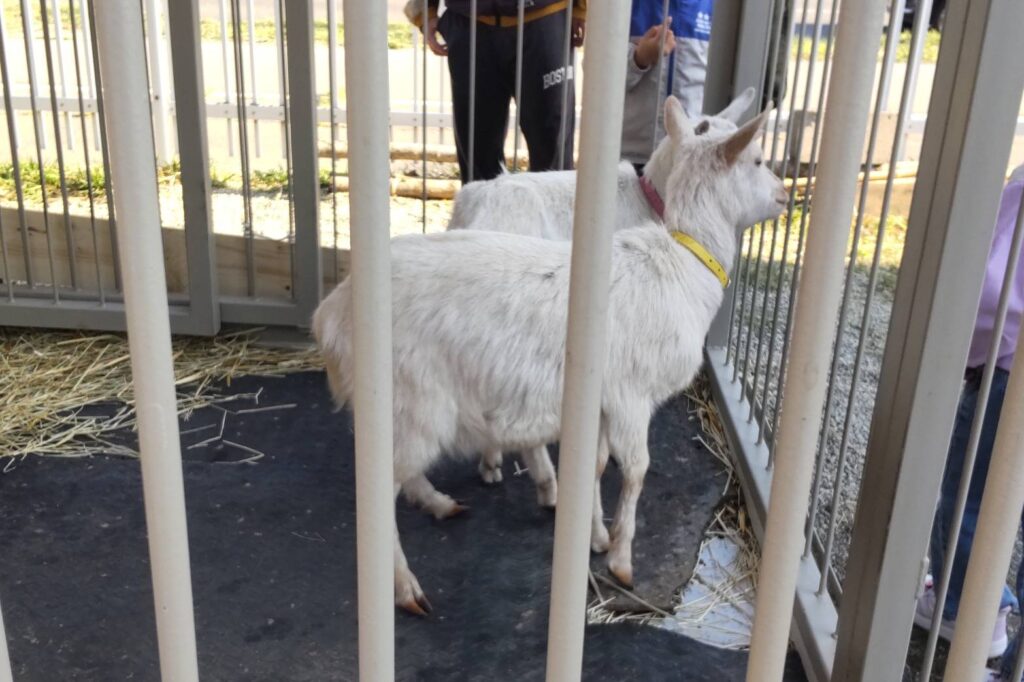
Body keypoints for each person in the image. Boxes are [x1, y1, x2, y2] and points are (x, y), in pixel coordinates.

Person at [915, 164, 1024, 682]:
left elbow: (989, 291)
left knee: (968, 499)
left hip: (1008, 377)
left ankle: (963, 608)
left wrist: (966, 355)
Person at [407, 0, 586, 184]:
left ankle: (553, 213)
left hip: (545, 19)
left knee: (552, 154)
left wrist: (583, 7)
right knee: (477, 155)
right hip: (470, 23)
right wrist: (425, 11)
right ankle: (480, 212)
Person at [620, 0, 714, 173]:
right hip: (630, 157)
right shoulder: (622, 7)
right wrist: (639, 58)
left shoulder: (717, 10)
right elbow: (598, 80)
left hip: (687, 156)